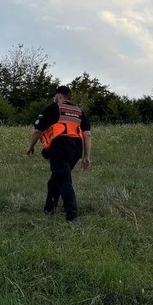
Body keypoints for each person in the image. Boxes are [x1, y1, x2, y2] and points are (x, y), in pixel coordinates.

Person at [25, 85, 92, 221]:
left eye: (55, 96)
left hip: (60, 146)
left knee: (63, 179)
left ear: (59, 96)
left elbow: (38, 130)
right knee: (56, 179)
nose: (54, 98)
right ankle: (49, 209)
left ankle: (72, 216)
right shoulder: (80, 112)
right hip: (76, 149)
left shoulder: (54, 108)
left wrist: (30, 146)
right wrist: (86, 156)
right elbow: (87, 134)